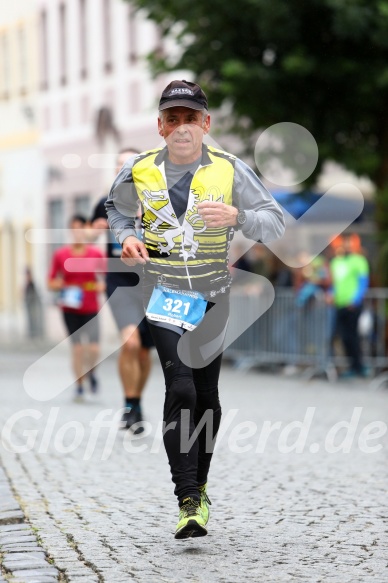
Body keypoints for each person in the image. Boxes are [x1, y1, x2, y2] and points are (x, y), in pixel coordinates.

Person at [105, 80, 285, 539]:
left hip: (213, 294)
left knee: (206, 398)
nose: (182, 127)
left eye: (191, 118)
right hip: (163, 291)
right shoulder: (139, 169)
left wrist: (239, 218)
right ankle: (186, 496)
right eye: (173, 118)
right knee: (180, 388)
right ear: (160, 126)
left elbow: (275, 220)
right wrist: (125, 236)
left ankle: (199, 488)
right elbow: (118, 209)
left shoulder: (231, 169)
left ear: (206, 124)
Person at [90, 148, 154, 432]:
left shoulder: (155, 199)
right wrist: (100, 228)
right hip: (119, 282)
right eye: (119, 165)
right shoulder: (107, 202)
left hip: (152, 282)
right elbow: (90, 231)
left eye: (128, 164)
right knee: (130, 343)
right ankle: (129, 404)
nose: (123, 169)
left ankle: (137, 402)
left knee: (144, 353)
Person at [48, 215, 105, 401]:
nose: (78, 231)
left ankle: (92, 373)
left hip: (91, 307)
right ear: (70, 231)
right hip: (70, 308)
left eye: (81, 227)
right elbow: (50, 281)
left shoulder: (95, 254)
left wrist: (99, 287)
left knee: (94, 349)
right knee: (78, 349)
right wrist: (61, 285)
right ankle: (80, 386)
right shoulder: (61, 255)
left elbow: (106, 280)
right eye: (74, 228)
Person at [330, 233, 370, 378]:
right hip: (339, 304)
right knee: (344, 337)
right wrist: (331, 294)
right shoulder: (336, 262)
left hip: (352, 305)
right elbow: (336, 283)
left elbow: (363, 282)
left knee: (352, 336)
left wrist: (355, 299)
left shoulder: (359, 260)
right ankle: (353, 366)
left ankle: (359, 366)